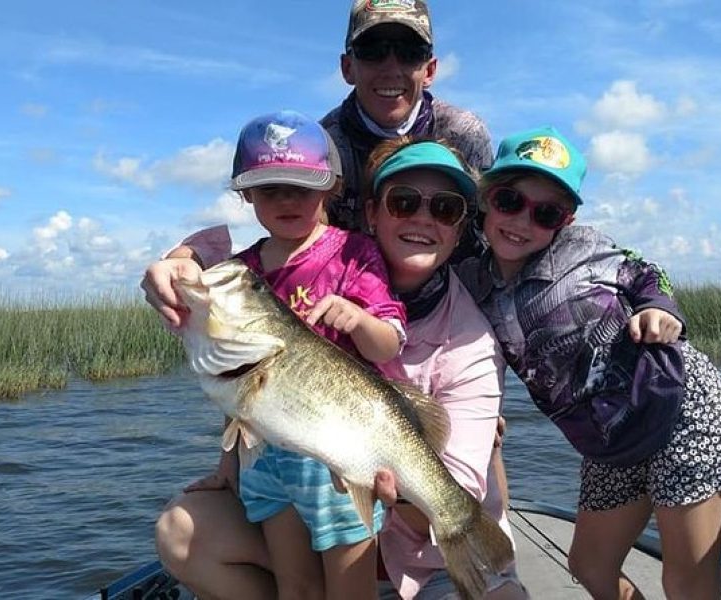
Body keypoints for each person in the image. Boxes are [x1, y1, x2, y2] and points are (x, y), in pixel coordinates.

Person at [144, 137, 526, 599]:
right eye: (404, 202)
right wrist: (177, 261)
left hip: (424, 561)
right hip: (296, 496)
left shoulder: (473, 343)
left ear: (462, 227)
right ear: (371, 212)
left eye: (445, 208)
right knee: (187, 534)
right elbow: (231, 266)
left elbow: (456, 488)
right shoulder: (323, 263)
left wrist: (399, 486)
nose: (423, 218)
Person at [454, 125, 721, 599]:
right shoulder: (469, 280)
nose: (522, 221)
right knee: (589, 566)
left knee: (686, 581)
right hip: (610, 444)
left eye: (545, 213)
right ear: (486, 198)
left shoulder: (585, 246)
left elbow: (646, 273)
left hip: (680, 410)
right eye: (509, 201)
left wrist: (659, 309)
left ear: (564, 221)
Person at [157, 108, 407, 599]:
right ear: (246, 194)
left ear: (330, 188)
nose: (287, 199)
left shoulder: (354, 253)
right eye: (270, 189)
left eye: (302, 187)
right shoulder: (241, 270)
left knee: (349, 587)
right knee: (297, 587)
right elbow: (235, 379)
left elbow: (392, 340)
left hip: (336, 458)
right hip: (264, 459)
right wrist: (227, 465)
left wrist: (360, 321)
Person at [322, 0, 493, 261]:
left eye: (410, 52)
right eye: (372, 50)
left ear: (430, 70)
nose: (391, 69)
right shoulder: (322, 146)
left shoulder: (465, 134)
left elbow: (483, 239)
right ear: (347, 68)